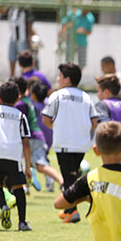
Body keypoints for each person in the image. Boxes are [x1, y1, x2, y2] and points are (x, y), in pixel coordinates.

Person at [42, 63, 100, 223]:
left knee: (68, 178)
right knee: (72, 176)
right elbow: (94, 122)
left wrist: (59, 128)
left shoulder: (57, 96)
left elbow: (46, 119)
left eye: (60, 76)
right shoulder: (86, 97)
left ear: (67, 79)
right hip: (81, 144)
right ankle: (68, 210)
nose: (58, 79)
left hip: (63, 142)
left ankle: (73, 211)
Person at [0, 81, 32, 231]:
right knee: (18, 188)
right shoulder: (20, 116)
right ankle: (22, 222)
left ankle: (3, 206)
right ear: (18, 99)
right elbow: (26, 142)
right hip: (13, 156)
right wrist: (28, 166)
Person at [11, 76, 63, 191]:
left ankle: (62, 181)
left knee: (40, 166)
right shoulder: (27, 101)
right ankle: (26, 186)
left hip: (32, 137)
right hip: (37, 136)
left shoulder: (20, 104)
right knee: (26, 162)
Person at [7, 0, 33, 77]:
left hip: (22, 38)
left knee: (23, 59)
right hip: (13, 37)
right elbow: (2, 11)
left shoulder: (25, 9)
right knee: (11, 58)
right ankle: (12, 76)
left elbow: (30, 22)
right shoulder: (12, 9)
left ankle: (24, 77)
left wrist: (29, 38)